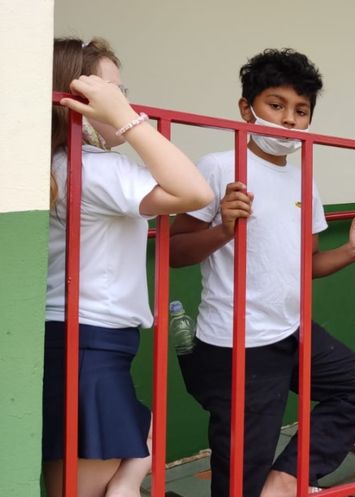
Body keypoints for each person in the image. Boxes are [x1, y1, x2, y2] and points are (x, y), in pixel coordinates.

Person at [169, 49, 355, 497]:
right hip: (238, 342)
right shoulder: (220, 166)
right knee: (240, 473)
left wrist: (350, 251)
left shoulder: (304, 179)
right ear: (246, 108)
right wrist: (224, 229)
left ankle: (286, 480)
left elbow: (308, 265)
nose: (289, 119)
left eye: (301, 110)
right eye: (276, 105)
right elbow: (174, 251)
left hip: (292, 331)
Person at [44, 37, 213, 497]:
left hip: (83, 338)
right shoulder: (95, 169)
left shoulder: (65, 165)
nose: (123, 101)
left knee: (138, 439)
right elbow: (195, 192)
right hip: (90, 342)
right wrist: (130, 121)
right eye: (112, 92)